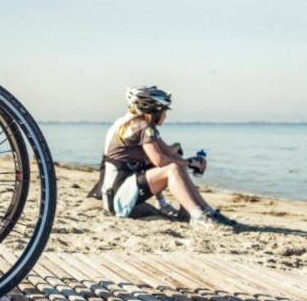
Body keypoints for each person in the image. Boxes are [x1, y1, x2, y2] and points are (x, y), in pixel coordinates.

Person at [90, 86, 237, 229]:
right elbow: (159, 160)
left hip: (120, 190)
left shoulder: (140, 124)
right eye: (165, 111)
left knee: (175, 163)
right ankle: (197, 216)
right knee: (171, 168)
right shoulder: (142, 126)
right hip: (118, 197)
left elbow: (167, 151)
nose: (166, 117)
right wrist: (189, 162)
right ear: (155, 110)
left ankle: (206, 211)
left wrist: (188, 158)